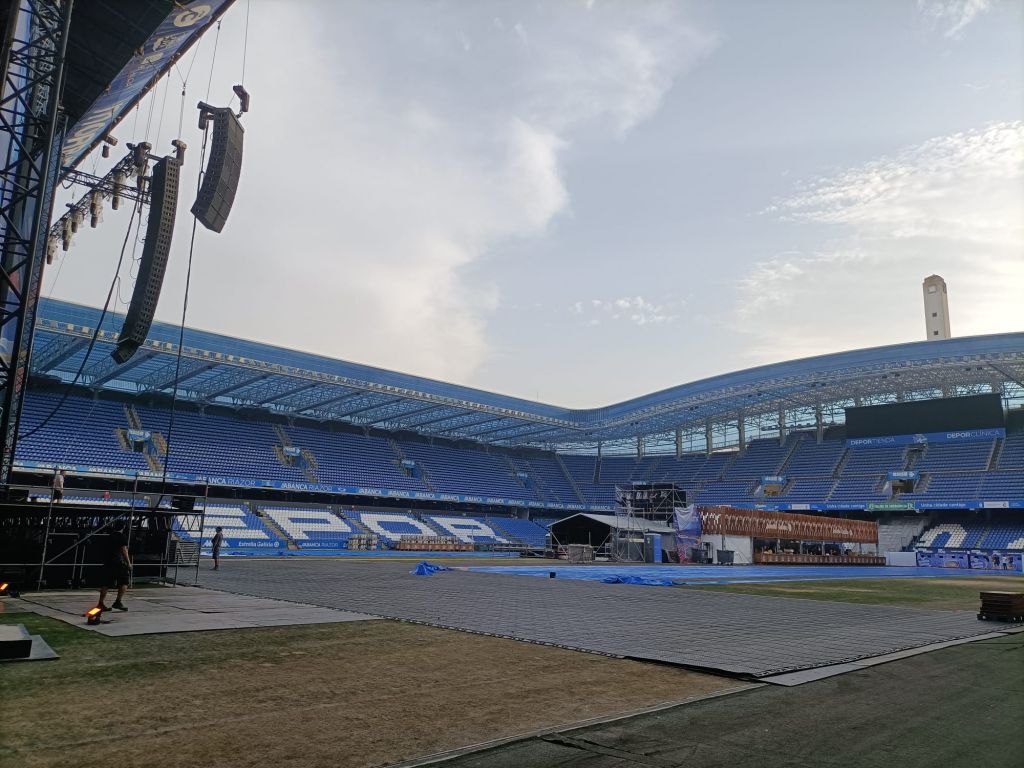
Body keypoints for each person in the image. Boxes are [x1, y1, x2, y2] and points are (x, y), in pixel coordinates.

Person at [97, 522, 131, 612]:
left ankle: (101, 603)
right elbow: (124, 550)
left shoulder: (109, 536)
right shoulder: (122, 536)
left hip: (108, 562)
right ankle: (118, 601)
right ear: (123, 527)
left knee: (106, 583)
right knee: (125, 581)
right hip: (117, 562)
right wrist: (128, 563)